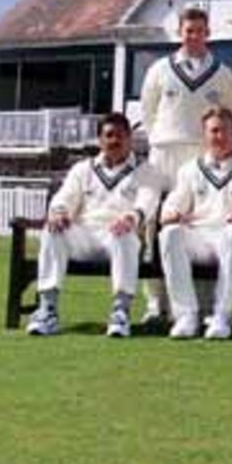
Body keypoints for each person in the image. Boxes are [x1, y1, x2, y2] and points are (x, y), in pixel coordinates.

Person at [137, 6, 232, 323]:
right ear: (179, 32)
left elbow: (229, 115)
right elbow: (148, 113)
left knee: (203, 222)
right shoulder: (159, 69)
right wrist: (163, 139)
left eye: (199, 30)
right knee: (152, 224)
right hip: (164, 153)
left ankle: (204, 304)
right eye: (187, 30)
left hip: (200, 155)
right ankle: (155, 302)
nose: (193, 36)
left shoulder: (222, 73)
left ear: (208, 33)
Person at [26, 113, 166, 338]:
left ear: (130, 138)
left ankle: (120, 311)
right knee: (53, 230)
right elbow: (64, 198)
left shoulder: (146, 170)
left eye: (120, 135)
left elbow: (147, 201)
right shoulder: (84, 169)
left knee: (124, 233)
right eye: (109, 135)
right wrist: (59, 213)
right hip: (86, 235)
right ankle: (47, 310)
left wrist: (132, 217)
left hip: (120, 236)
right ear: (100, 140)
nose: (114, 140)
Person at [158, 107, 232, 340]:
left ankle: (222, 314)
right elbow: (171, 206)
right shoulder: (190, 169)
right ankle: (186, 314)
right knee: (169, 234)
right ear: (204, 134)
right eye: (214, 131)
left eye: (225, 130)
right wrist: (174, 214)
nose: (219, 136)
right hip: (200, 236)